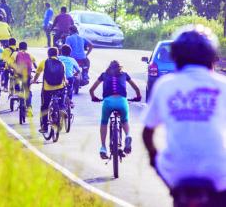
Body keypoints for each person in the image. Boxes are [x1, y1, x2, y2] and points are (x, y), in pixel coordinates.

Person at [142, 25, 226, 204]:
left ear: (176, 57)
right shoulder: (222, 86)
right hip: (219, 173)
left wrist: (153, 160)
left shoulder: (165, 85)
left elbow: (147, 133)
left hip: (176, 172)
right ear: (211, 57)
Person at [89, 60, 141, 159]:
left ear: (109, 67)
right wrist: (138, 97)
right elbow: (137, 89)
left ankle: (103, 147)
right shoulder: (125, 75)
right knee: (124, 121)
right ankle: (127, 136)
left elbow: (91, 89)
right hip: (122, 101)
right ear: (119, 67)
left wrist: (93, 97)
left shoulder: (103, 75)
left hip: (108, 102)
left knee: (104, 123)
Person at [33, 47, 66, 133]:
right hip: (59, 87)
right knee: (62, 95)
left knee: (44, 106)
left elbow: (37, 73)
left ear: (48, 54)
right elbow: (63, 77)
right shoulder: (61, 63)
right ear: (57, 54)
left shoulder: (44, 62)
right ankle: (62, 108)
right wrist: (65, 82)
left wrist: (34, 81)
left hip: (47, 88)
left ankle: (44, 127)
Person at [9, 41, 36, 116]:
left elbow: (10, 63)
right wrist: (35, 70)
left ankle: (17, 93)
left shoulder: (15, 53)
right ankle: (29, 108)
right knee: (28, 90)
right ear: (26, 48)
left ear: (19, 47)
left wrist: (10, 68)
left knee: (15, 82)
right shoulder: (29, 55)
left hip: (17, 74)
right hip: (27, 75)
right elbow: (34, 64)